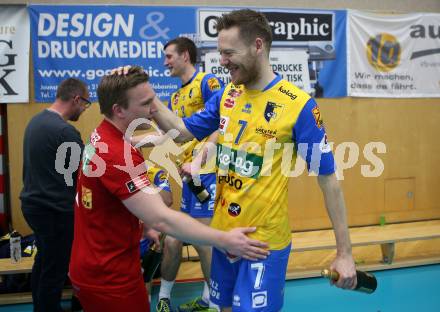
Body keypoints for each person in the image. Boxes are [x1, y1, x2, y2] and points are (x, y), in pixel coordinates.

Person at [145, 9, 357, 312]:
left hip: (263, 246)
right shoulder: (228, 94)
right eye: (220, 52)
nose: (222, 60)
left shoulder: (297, 105)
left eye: (229, 52)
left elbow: (329, 181)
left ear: (258, 46)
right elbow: (181, 132)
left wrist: (345, 253)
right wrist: (147, 96)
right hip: (224, 238)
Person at [68, 66, 269, 312]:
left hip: (96, 264)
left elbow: (113, 202)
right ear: (118, 110)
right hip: (109, 275)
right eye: (146, 103)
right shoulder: (116, 153)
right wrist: (225, 239)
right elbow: (163, 218)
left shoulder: (102, 136)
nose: (154, 108)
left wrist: (142, 227)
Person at [156, 37, 223, 312]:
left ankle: (215, 304)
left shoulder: (208, 82)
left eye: (169, 56)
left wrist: (201, 157)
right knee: (172, 239)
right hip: (188, 178)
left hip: (207, 172)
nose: (165, 62)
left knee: (204, 241)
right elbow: (171, 136)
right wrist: (143, 140)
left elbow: (223, 124)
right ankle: (163, 299)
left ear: (185, 55)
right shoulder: (174, 97)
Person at [20, 78, 91, 312]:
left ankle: (42, 307)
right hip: (55, 211)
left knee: (44, 263)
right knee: (55, 270)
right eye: (85, 104)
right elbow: (87, 171)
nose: (83, 109)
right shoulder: (65, 131)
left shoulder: (36, 121)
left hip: (33, 206)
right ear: (76, 99)